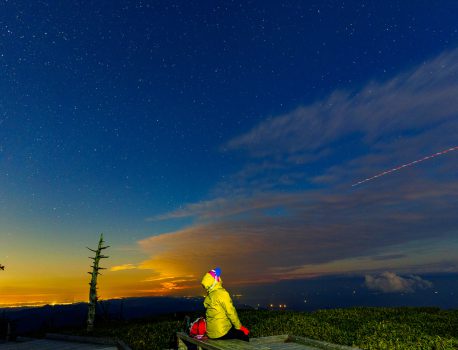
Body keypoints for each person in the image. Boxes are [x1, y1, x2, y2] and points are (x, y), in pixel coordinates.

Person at [201, 267, 250, 341]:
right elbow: (231, 312)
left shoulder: (209, 296)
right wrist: (239, 327)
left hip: (211, 333)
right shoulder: (222, 293)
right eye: (218, 276)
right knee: (245, 336)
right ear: (216, 280)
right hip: (222, 332)